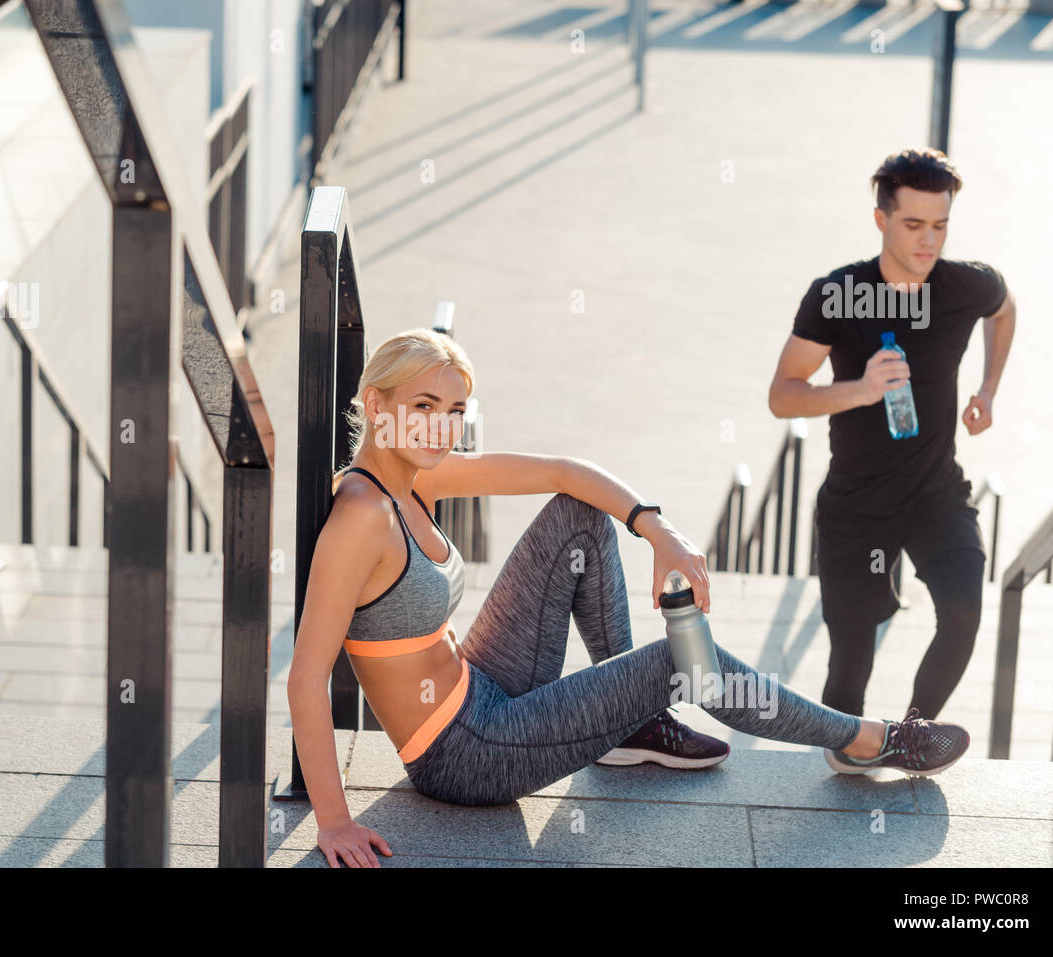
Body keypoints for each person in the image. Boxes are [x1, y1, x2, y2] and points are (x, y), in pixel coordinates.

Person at [289, 329, 971, 868]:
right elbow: (306, 675)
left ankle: (629, 723)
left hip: (480, 681)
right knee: (681, 656)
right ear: (377, 406)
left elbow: (563, 470)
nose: (440, 429)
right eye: (423, 408)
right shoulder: (361, 515)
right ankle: (867, 739)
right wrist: (333, 818)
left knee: (577, 515)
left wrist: (658, 529)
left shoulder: (411, 478)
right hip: (464, 751)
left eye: (455, 412)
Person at [768, 148, 1015, 757]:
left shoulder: (967, 285)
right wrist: (860, 389)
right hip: (857, 505)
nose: (928, 240)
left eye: (940, 225)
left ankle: (907, 733)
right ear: (881, 219)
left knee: (962, 612)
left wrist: (987, 389)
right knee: (850, 663)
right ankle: (853, 745)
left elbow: (1005, 310)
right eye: (913, 225)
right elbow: (782, 397)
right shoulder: (839, 295)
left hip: (936, 492)